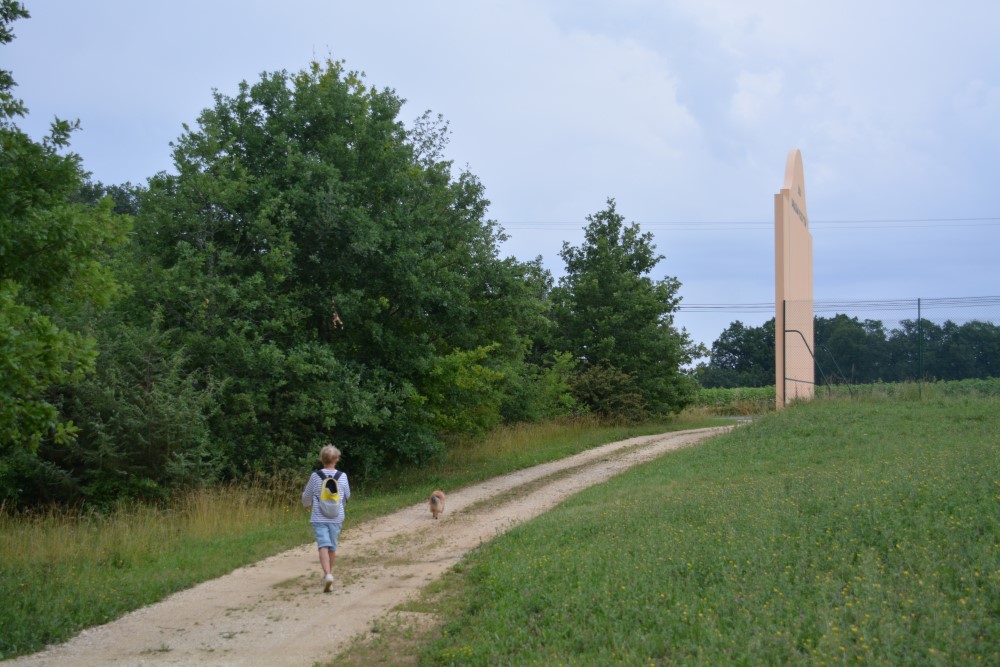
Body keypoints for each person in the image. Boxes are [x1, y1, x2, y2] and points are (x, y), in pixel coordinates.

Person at [301, 444, 350, 592]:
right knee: (332, 546)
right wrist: (340, 506)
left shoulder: (315, 476)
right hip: (336, 517)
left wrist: (306, 504)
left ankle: (327, 574)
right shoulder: (342, 476)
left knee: (323, 545)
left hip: (319, 517)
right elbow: (347, 496)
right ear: (337, 459)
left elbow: (307, 495)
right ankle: (328, 575)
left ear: (321, 459)